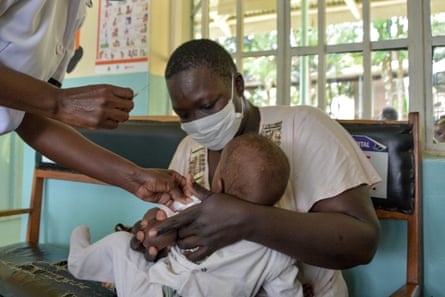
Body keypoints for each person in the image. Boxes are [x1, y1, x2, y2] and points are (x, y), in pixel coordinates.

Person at [131, 39, 382, 296]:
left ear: (238, 85)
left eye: (208, 105)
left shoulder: (304, 127)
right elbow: (178, 237)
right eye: (184, 115)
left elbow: (362, 243)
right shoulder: (188, 148)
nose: (199, 122)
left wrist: (247, 220)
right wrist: (157, 233)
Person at [68, 134, 303, 297]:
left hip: (156, 292)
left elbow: (159, 220)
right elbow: (284, 290)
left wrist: (154, 218)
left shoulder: (197, 205)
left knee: (121, 245)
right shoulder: (276, 250)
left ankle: (79, 262)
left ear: (217, 183)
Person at [0, 2, 184, 202]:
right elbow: (48, 103)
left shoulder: (75, 10)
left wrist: (134, 178)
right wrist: (59, 102)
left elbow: (31, 117)